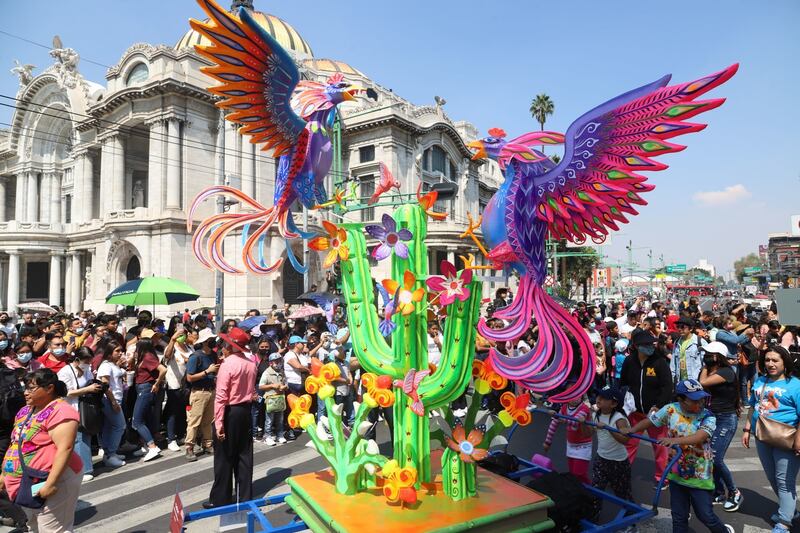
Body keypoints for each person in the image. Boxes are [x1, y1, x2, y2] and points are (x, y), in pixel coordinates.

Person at [625, 379, 733, 533]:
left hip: (700, 476)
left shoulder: (708, 416)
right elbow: (650, 422)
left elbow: (700, 437)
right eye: (695, 400)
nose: (700, 403)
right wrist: (632, 429)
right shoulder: (670, 410)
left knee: (705, 515)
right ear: (680, 399)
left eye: (702, 398)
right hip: (676, 473)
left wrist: (673, 440)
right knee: (678, 517)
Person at [0, 369, 83, 532]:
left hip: (54, 478)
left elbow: (65, 448)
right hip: (29, 480)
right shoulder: (26, 410)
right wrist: (4, 474)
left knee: (53, 528)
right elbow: (16, 443)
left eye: (31, 388)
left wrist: (51, 483)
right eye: (25, 387)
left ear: (49, 388)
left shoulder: (62, 411)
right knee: (33, 525)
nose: (25, 393)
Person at [742, 345, 800, 532]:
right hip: (762, 435)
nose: (771, 364)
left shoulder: (795, 385)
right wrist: (746, 428)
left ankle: (784, 522)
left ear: (785, 362)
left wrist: (799, 440)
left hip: (786, 438)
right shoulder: (760, 381)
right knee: (773, 478)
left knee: (784, 481)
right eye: (767, 360)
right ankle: (790, 510)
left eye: (775, 360)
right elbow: (753, 405)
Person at [206, 327, 256, 509]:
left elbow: (221, 396)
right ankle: (245, 497)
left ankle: (221, 498)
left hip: (229, 411)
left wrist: (218, 423)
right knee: (244, 455)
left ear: (230, 345)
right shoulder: (251, 363)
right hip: (245, 410)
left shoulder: (228, 364)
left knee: (224, 456)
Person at [619, 329, 672, 487]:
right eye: (646, 344)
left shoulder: (659, 362)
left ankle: (662, 477)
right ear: (636, 346)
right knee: (629, 443)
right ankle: (622, 473)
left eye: (651, 344)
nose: (650, 347)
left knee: (660, 445)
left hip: (655, 414)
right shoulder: (630, 361)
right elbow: (623, 383)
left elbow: (667, 387)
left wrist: (658, 406)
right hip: (635, 412)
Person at [698, 341, 742, 512]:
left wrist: (703, 367)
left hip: (725, 419)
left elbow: (703, 383)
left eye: (709, 354)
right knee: (709, 456)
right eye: (705, 354)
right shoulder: (711, 370)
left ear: (719, 357)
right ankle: (718, 491)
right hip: (711, 417)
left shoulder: (726, 372)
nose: (706, 357)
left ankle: (734, 492)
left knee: (716, 457)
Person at [56, 347, 103, 482]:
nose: (88, 364)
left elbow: (90, 382)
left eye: (89, 361)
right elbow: (67, 392)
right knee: (79, 438)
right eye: (86, 361)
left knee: (84, 437)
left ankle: (81, 468)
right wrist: (87, 389)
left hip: (85, 408)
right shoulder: (65, 372)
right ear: (77, 360)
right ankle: (84, 470)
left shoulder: (87, 370)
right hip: (71, 408)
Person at [590, 386, 632, 525]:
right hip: (601, 459)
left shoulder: (619, 418)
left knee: (623, 494)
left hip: (618, 462)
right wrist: (583, 423)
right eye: (598, 396)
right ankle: (593, 519)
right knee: (596, 490)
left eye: (603, 398)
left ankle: (631, 518)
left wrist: (608, 429)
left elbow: (625, 439)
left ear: (614, 403)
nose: (599, 399)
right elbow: (587, 433)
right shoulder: (596, 415)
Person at [184, 328, 219, 461]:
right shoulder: (196, 357)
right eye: (210, 340)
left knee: (208, 421)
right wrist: (206, 372)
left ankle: (208, 444)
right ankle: (189, 447)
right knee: (194, 421)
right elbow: (189, 378)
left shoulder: (213, 355)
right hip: (199, 392)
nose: (213, 342)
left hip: (211, 390)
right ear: (204, 342)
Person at [130, 339, 166, 462]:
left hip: (145, 389)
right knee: (145, 419)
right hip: (142, 389)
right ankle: (146, 444)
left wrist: (157, 383)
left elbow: (163, 369)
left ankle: (152, 446)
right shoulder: (143, 357)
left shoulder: (147, 357)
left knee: (137, 421)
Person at [542, 396, 592, 484]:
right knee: (572, 474)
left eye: (578, 395)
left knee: (579, 474)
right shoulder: (564, 407)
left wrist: (562, 418)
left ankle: (587, 493)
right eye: (572, 395)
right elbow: (554, 423)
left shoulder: (584, 408)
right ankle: (575, 493)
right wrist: (547, 442)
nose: (575, 398)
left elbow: (575, 421)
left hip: (583, 446)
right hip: (571, 444)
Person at [95, 340, 127, 468]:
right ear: (109, 353)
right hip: (109, 399)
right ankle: (110, 454)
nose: (120, 353)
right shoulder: (106, 365)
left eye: (121, 350)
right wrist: (113, 401)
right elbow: (105, 385)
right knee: (120, 426)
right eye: (117, 351)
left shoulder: (113, 364)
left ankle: (109, 453)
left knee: (110, 426)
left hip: (116, 398)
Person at [162, 327, 193, 452]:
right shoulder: (172, 347)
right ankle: (171, 439)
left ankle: (181, 435)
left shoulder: (190, 348)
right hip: (174, 384)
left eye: (184, 333)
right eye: (179, 333)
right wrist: (172, 340)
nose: (182, 335)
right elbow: (167, 356)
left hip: (187, 385)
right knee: (172, 411)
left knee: (182, 411)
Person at [258, 353, 287, 446]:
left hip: (280, 398)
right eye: (276, 361)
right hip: (270, 399)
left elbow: (286, 383)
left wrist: (284, 387)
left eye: (279, 360)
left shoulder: (282, 371)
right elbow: (261, 386)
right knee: (269, 419)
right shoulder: (267, 372)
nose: (278, 362)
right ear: (270, 363)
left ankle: (280, 435)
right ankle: (268, 436)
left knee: (280, 418)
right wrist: (272, 385)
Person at [671, 317, 703, 383]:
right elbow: (673, 363)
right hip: (680, 381)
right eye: (678, 327)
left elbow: (705, 363)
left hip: (695, 381)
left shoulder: (699, 342)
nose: (679, 329)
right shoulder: (677, 342)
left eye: (682, 327)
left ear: (691, 329)